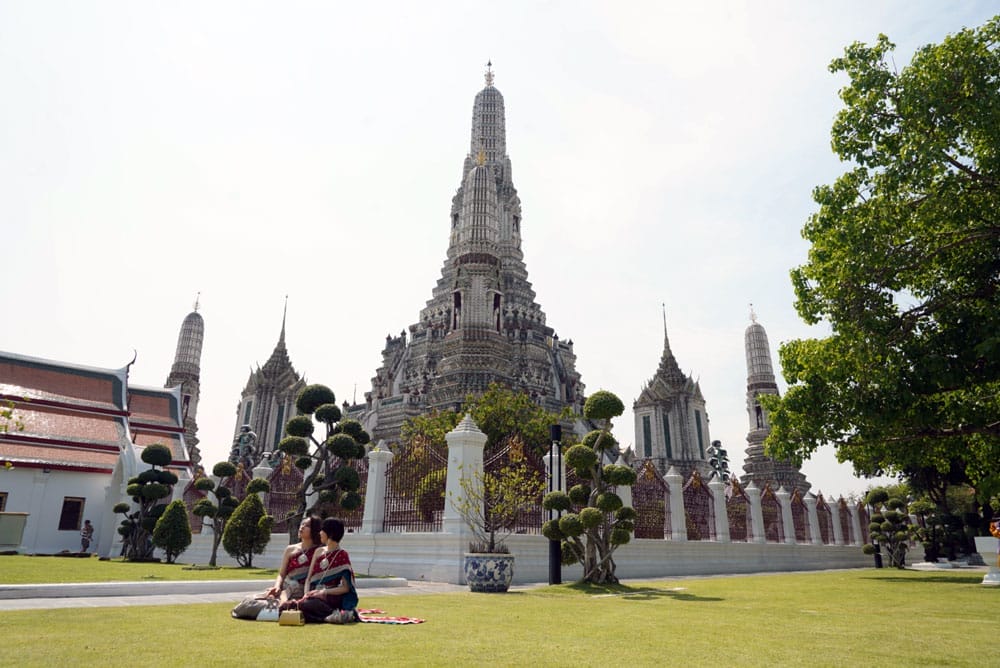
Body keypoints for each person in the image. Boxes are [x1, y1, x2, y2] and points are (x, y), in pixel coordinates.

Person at [281, 518, 358, 623]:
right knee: (304, 604)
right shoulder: (318, 551)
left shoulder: (342, 554)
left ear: (330, 533)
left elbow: (345, 588)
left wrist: (323, 592)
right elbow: (308, 579)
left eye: (323, 530)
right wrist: (306, 595)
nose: (320, 533)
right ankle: (329, 617)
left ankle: (335, 614)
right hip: (314, 594)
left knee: (306, 605)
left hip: (330, 596)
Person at [264, 516, 322, 604]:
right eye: (302, 524)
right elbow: (282, 574)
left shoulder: (320, 551)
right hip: (287, 587)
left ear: (315, 530)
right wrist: (277, 587)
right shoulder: (290, 549)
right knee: (252, 602)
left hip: (306, 590)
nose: (302, 527)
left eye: (307, 526)